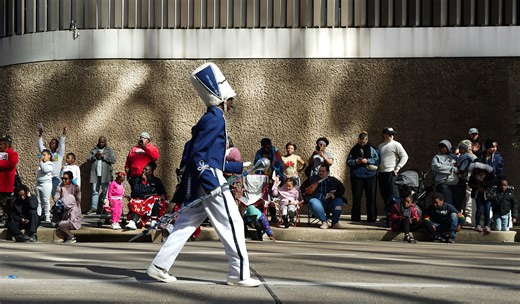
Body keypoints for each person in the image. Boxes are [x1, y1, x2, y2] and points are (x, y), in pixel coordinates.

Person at [147, 63, 261, 287]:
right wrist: (212, 184)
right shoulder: (215, 118)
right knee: (234, 223)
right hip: (210, 181)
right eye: (230, 99)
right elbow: (198, 157)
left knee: (185, 225)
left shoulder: (211, 117)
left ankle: (159, 266)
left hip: (204, 180)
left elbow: (210, 157)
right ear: (220, 98)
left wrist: (243, 167)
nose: (232, 102)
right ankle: (238, 275)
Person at [378, 127, 408, 227]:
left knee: (393, 196)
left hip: (392, 173)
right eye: (389, 133)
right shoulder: (381, 146)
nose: (391, 135)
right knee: (385, 196)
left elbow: (405, 156)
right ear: (384, 134)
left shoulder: (396, 144)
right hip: (382, 174)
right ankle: (389, 217)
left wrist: (398, 168)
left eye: (392, 134)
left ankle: (394, 218)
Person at [346, 131, 380, 222]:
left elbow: (377, 160)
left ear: (367, 140)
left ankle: (372, 217)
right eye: (360, 142)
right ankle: (356, 217)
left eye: (364, 142)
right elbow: (348, 161)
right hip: (357, 175)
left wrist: (367, 160)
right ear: (358, 140)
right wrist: (356, 161)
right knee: (356, 197)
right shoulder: (354, 149)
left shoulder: (372, 148)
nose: (362, 144)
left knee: (371, 197)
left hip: (370, 175)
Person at [301, 164, 346, 229]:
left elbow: (342, 189)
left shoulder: (333, 180)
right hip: (317, 202)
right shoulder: (312, 179)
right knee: (312, 201)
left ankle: (335, 223)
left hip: (330, 202)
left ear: (328, 172)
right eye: (319, 171)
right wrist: (307, 199)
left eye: (323, 171)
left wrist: (334, 195)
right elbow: (303, 189)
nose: (320, 173)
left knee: (339, 201)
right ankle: (324, 222)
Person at [125, 162, 167, 230]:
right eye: (143, 169)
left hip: (151, 203)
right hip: (141, 201)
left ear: (151, 171)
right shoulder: (137, 180)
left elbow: (162, 193)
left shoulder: (156, 181)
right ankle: (133, 221)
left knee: (156, 199)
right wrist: (143, 182)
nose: (143, 171)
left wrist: (160, 196)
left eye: (146, 170)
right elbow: (138, 192)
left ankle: (153, 221)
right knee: (136, 202)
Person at [253, 137, 284, 222]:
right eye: (264, 147)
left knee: (273, 195)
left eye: (267, 146)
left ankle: (273, 215)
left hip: (273, 177)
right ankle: (261, 215)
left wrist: (277, 175)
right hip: (262, 177)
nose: (266, 148)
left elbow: (279, 164)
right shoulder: (259, 153)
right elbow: (256, 164)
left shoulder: (275, 152)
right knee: (263, 195)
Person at [87, 136, 116, 215]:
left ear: (105, 142)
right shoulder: (94, 150)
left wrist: (104, 156)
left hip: (105, 175)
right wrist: (94, 157)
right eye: (100, 142)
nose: (101, 143)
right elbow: (88, 159)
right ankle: (94, 208)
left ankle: (105, 208)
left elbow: (113, 160)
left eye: (103, 142)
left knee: (105, 192)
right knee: (94, 191)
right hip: (95, 174)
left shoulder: (109, 150)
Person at [38, 125, 67, 198]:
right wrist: (40, 135)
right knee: (44, 197)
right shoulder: (46, 153)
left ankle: (61, 208)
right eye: (51, 142)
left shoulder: (59, 154)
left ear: (57, 145)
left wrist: (63, 134)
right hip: (46, 178)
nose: (51, 143)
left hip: (55, 179)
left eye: (53, 143)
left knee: (56, 196)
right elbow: (40, 146)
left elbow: (62, 145)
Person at [468, 161, 496, 234]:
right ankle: (478, 224)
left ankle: (487, 225)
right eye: (476, 168)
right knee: (479, 209)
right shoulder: (473, 175)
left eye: (479, 168)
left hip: (488, 195)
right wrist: (476, 186)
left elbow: (493, 181)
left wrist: (483, 185)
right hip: (478, 194)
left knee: (487, 210)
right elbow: (470, 183)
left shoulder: (489, 174)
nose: (477, 170)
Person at [54, 171, 82, 243]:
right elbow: (56, 198)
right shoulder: (60, 187)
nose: (64, 180)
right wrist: (62, 203)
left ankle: (70, 237)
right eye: (63, 178)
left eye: (66, 179)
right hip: (63, 208)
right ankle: (63, 237)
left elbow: (78, 200)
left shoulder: (76, 187)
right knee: (57, 224)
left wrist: (73, 207)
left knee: (62, 225)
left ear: (71, 179)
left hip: (72, 208)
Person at [431, 140, 459, 208]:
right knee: (447, 203)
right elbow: (436, 167)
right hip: (443, 183)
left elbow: (459, 168)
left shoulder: (455, 157)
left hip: (454, 183)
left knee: (456, 203)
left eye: (444, 147)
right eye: (440, 147)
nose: (442, 149)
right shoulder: (437, 157)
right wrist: (451, 169)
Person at [0, 134, 19, 223]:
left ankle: (8, 218)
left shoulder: (12, 154)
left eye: (2, 144)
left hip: (6, 184)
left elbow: (11, 163)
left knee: (7, 203)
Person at [35, 149, 55, 222]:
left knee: (46, 200)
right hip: (39, 184)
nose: (43, 157)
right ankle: (38, 215)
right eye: (42, 155)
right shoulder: (41, 164)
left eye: (44, 155)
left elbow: (45, 170)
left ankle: (47, 216)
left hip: (46, 184)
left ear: (49, 156)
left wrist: (40, 161)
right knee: (39, 201)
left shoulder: (50, 164)